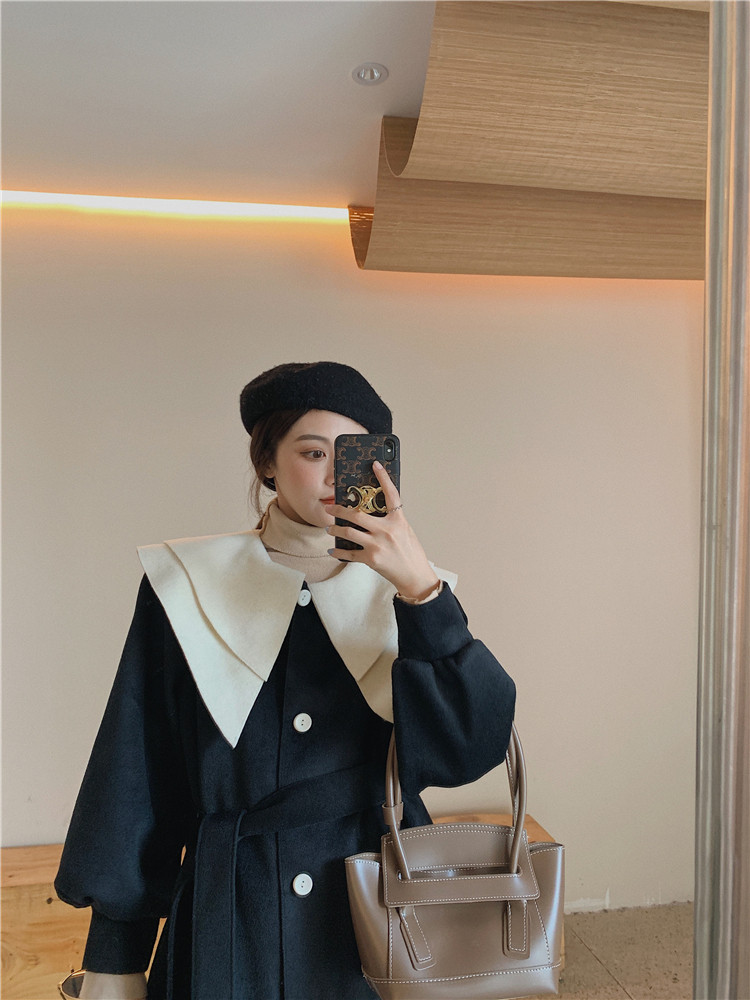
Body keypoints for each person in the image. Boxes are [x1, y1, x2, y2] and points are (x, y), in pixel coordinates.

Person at [55, 362, 516, 1000]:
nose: (333, 476)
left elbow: (471, 751)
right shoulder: (186, 584)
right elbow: (136, 769)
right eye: (312, 451)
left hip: (379, 918)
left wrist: (422, 591)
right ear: (267, 461)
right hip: (230, 919)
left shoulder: (415, 593)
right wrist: (115, 956)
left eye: (354, 455)